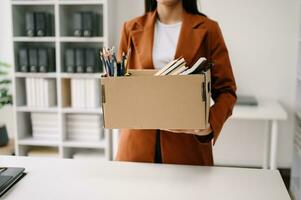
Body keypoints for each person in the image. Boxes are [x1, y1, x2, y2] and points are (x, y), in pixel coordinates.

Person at [116, 0, 237, 166]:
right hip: (135, 146)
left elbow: (226, 90)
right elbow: (119, 86)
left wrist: (210, 123)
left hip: (188, 148)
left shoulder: (209, 29)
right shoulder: (130, 27)